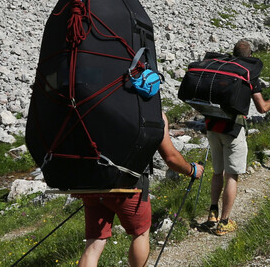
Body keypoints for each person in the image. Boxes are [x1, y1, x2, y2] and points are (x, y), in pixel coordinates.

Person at [78, 113, 202, 267]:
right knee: (140, 234)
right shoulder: (150, 110)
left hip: (93, 181)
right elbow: (170, 157)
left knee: (93, 243)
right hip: (129, 184)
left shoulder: (98, 104)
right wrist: (191, 170)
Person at [205, 39, 270, 236]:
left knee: (217, 171)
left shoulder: (221, 68)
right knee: (232, 175)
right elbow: (262, 108)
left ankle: (212, 213)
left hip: (212, 125)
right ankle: (224, 222)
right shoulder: (248, 75)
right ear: (250, 55)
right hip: (233, 128)